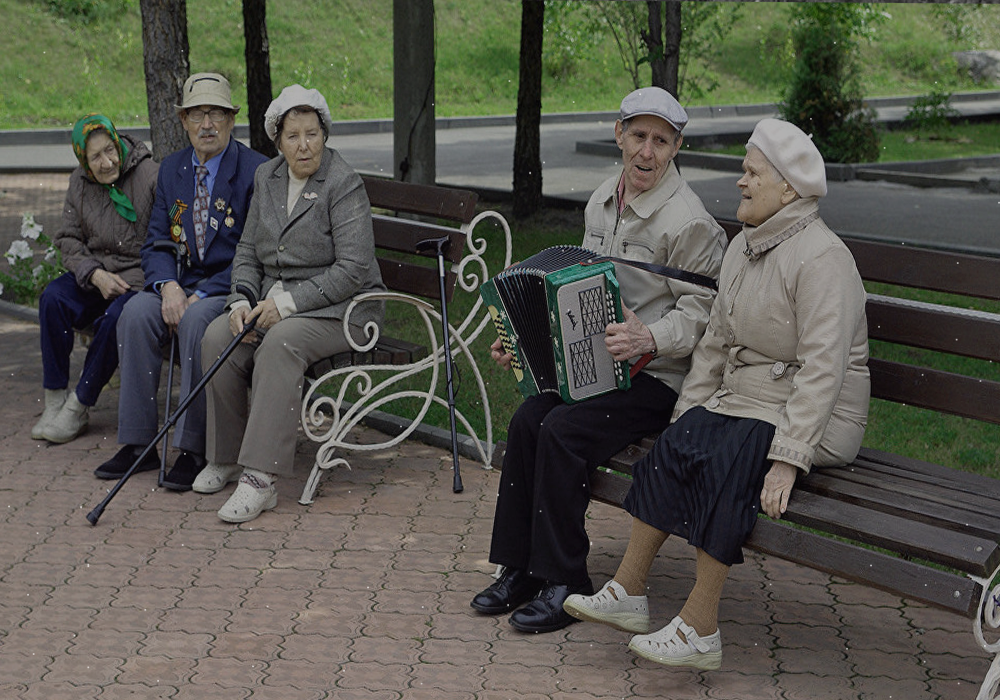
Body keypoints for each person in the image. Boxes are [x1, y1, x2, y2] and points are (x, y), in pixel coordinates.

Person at [562, 118, 870, 670]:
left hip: (818, 417)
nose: (741, 183)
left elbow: (823, 370)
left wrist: (788, 460)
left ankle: (701, 626)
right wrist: (684, 417)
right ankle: (629, 590)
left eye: (751, 173)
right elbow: (714, 344)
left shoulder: (823, 258)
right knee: (679, 445)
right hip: (752, 403)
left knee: (735, 453)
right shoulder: (743, 247)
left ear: (788, 190)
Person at [470, 87, 727, 633]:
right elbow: (575, 286)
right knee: (526, 419)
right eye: (639, 136)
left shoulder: (689, 221)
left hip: (659, 379)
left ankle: (567, 582)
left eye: (661, 141)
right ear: (619, 135)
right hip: (600, 368)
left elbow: (707, 314)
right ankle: (520, 567)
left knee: (563, 429)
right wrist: (521, 335)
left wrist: (648, 338)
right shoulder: (600, 202)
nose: (647, 152)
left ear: (677, 146)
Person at [193, 84, 386, 524]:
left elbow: (354, 268)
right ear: (277, 140)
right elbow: (247, 250)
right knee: (217, 335)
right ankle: (225, 457)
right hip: (279, 304)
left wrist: (288, 303)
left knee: (280, 343)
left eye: (313, 134)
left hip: (347, 310)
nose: (304, 145)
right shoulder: (268, 177)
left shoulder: (342, 183)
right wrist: (241, 298)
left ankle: (261, 481)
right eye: (294, 135)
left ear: (325, 134)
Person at [93, 72, 268, 488]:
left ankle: (193, 448)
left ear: (231, 119)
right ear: (184, 121)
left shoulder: (256, 172)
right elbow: (156, 242)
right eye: (196, 114)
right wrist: (167, 286)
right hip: (180, 282)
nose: (206, 124)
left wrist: (200, 293)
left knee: (195, 322)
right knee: (135, 313)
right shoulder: (172, 169)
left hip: (228, 287)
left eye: (216, 113)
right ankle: (138, 444)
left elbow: (254, 250)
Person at [33, 114, 158, 444]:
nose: (106, 162)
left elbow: (164, 241)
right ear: (84, 163)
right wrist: (95, 274)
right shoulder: (79, 183)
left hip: (138, 279)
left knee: (117, 319)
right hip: (97, 273)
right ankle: (55, 399)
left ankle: (78, 406)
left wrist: (132, 280)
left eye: (110, 151)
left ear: (118, 144)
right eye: (95, 157)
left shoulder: (148, 175)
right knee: (53, 299)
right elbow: (68, 239)